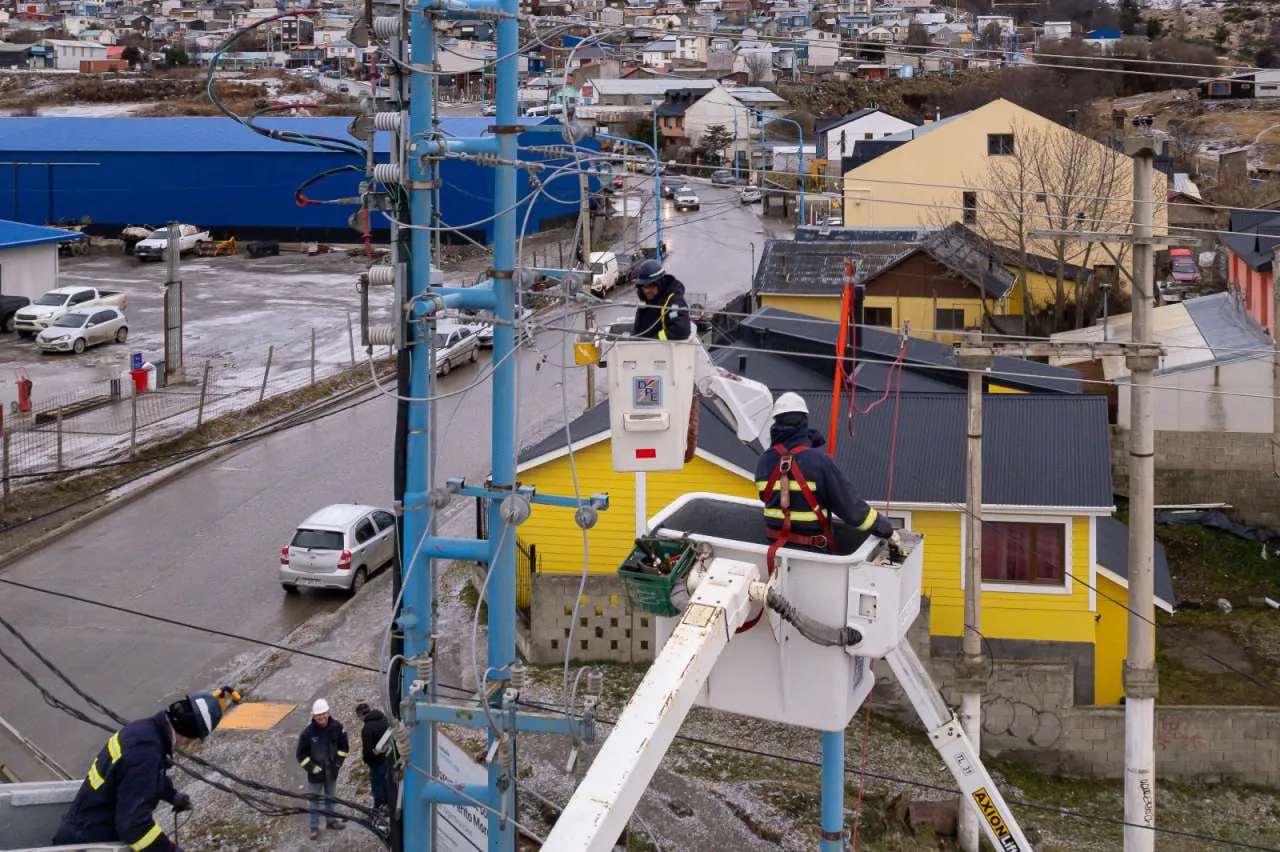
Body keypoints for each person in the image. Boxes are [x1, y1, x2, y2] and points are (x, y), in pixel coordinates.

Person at [53, 686, 239, 851]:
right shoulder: (145, 752)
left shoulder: (144, 731)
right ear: (192, 733)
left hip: (84, 828)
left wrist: (170, 794)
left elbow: (141, 778)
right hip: (91, 840)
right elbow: (133, 825)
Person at [755, 392, 899, 553]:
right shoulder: (819, 461)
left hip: (773, 550)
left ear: (775, 421)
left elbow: (765, 497)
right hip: (811, 554)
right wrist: (885, 528)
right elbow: (850, 507)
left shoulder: (764, 461)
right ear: (804, 421)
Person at [296, 698, 350, 840]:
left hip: (331, 773)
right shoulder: (307, 733)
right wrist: (312, 768)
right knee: (314, 801)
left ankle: (331, 821)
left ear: (328, 713)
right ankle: (314, 827)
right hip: (316, 776)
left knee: (330, 798)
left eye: (323, 713)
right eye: (318, 715)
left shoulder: (337, 728)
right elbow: (301, 755)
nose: (321, 717)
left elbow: (344, 748)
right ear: (314, 716)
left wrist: (337, 765)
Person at [631, 258, 692, 342]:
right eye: (643, 286)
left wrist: (651, 341)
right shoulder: (648, 299)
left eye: (651, 285)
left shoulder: (674, 301)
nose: (646, 290)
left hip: (660, 351)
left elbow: (681, 331)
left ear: (660, 283)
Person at [355, 702, 390, 815]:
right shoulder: (383, 719)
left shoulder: (367, 728)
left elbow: (368, 750)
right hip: (387, 758)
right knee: (386, 783)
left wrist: (367, 761)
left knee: (377, 786)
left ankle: (377, 809)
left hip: (376, 762)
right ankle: (388, 805)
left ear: (361, 715)